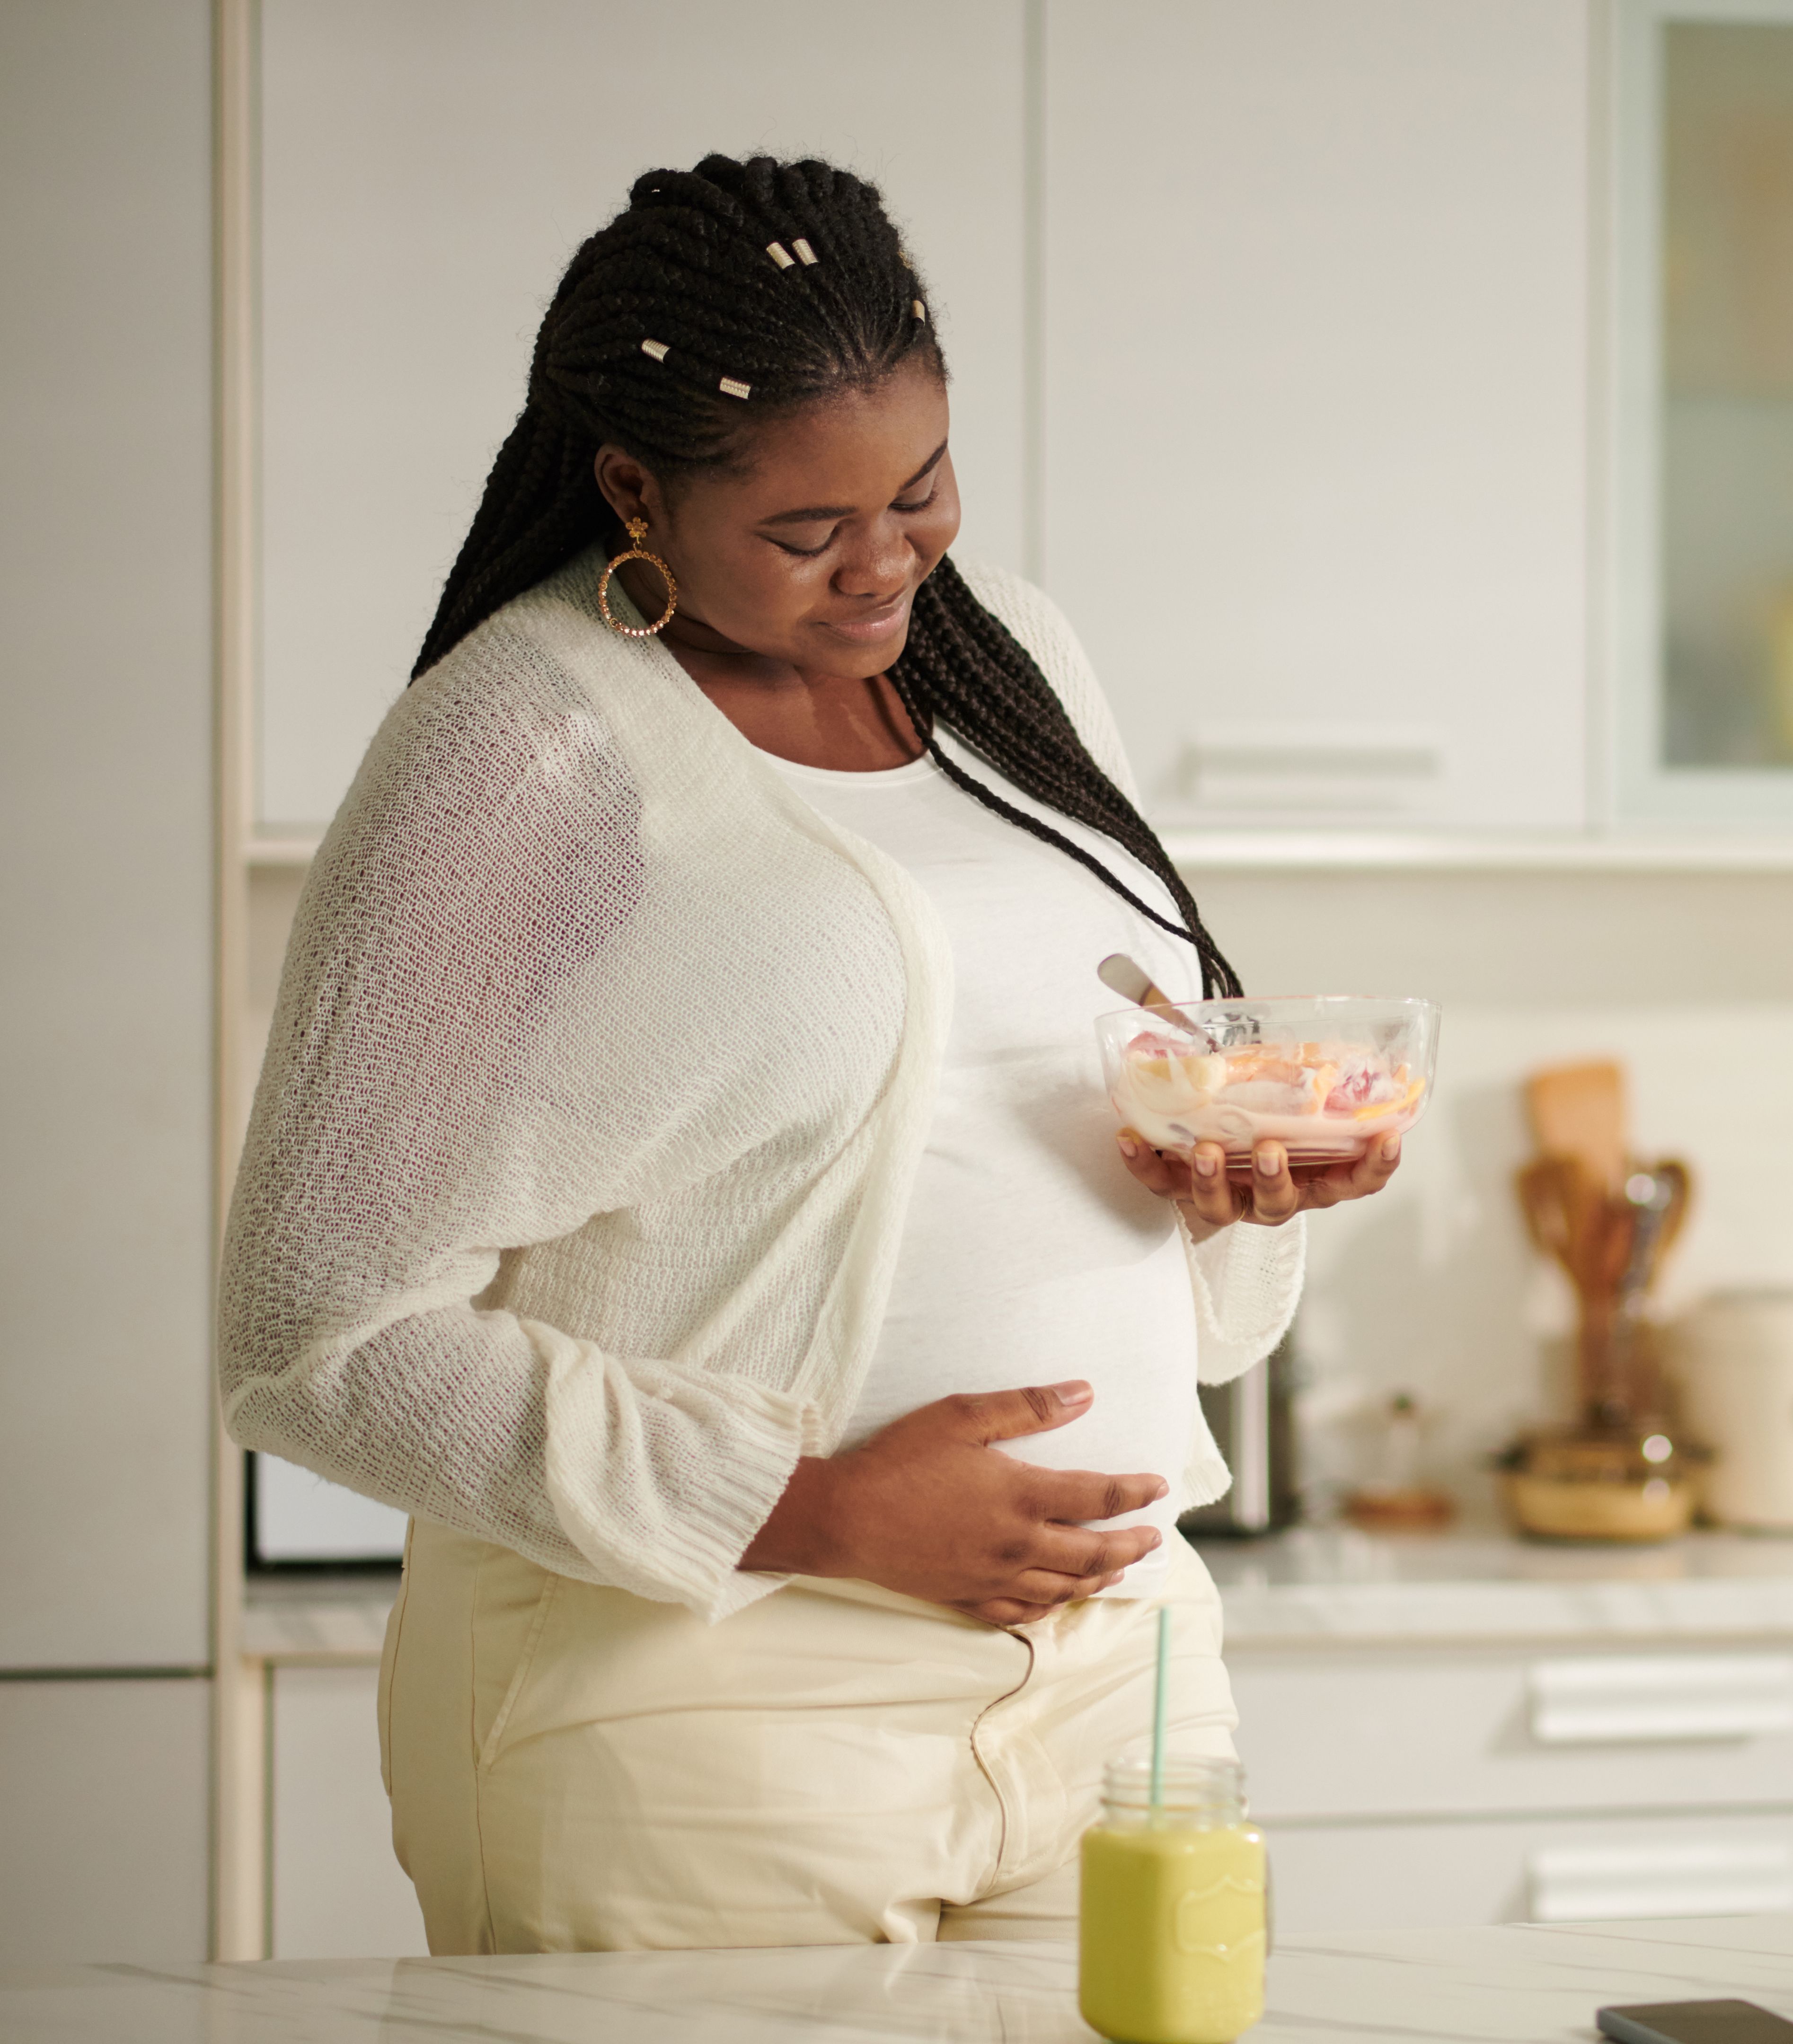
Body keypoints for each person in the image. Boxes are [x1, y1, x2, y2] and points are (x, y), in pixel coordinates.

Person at [217, 154, 1402, 1954]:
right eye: (803, 530)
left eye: (920, 492)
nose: (886, 564)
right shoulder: (521, 760)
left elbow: (1038, 1129)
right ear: (633, 488)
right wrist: (814, 1509)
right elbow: (312, 1332)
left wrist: (1233, 1182)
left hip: (1121, 1675)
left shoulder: (1013, 658)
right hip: (702, 1709)